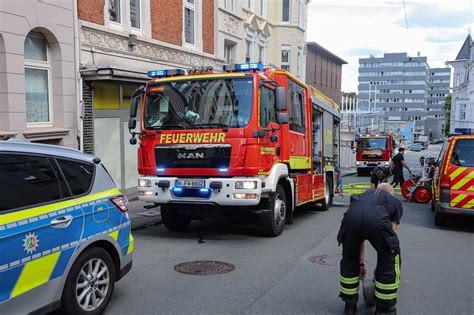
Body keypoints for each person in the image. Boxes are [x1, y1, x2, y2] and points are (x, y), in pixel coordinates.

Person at [337, 183, 403, 315]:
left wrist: (360, 263)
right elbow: (390, 235)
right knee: (390, 259)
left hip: (351, 219)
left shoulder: (360, 196)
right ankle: (385, 309)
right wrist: (380, 268)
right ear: (391, 194)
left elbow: (359, 239)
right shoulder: (394, 201)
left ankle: (349, 306)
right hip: (376, 221)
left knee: (350, 258)